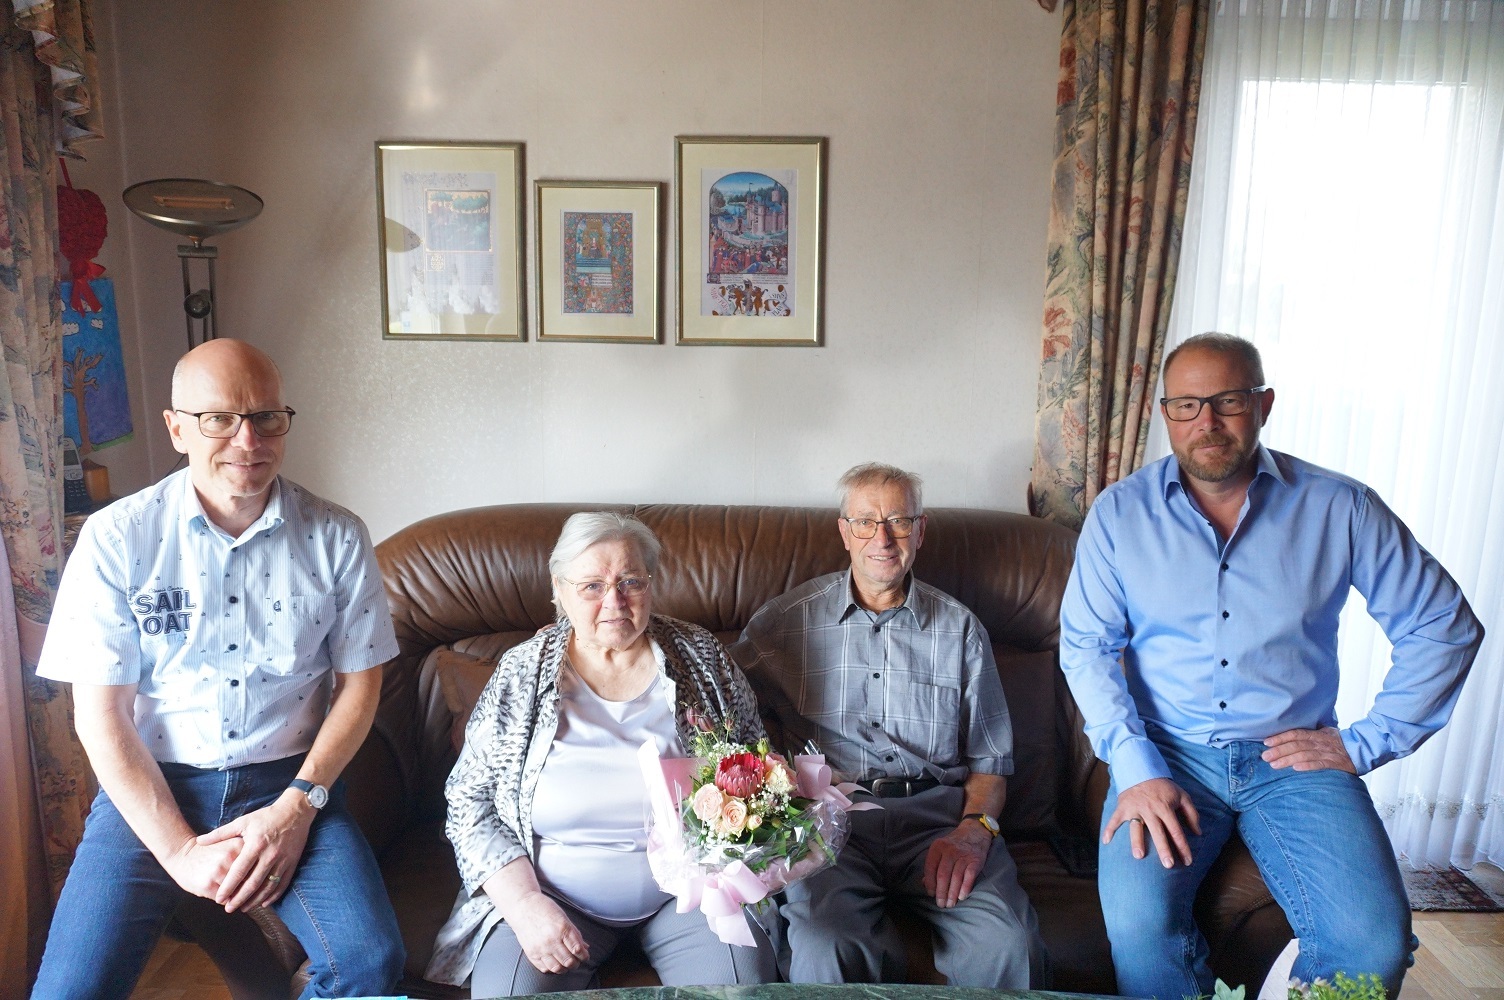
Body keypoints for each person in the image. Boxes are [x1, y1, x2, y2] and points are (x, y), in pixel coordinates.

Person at [1060, 333, 1485, 999]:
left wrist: (1367, 741)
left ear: (1264, 403)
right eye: (1187, 405)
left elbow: (1444, 625)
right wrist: (1135, 765)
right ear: (1164, 413)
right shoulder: (1119, 515)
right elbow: (1084, 646)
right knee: (1141, 931)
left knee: (1372, 944)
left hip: (1293, 759)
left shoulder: (1341, 507)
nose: (1207, 423)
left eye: (1227, 401)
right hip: (1166, 754)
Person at [32, 339, 404, 1000]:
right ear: (177, 428)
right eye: (219, 419)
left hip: (287, 783)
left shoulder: (337, 536)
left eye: (266, 417)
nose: (247, 438)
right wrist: (177, 852)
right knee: (70, 990)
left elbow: (361, 686)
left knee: (370, 962)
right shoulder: (118, 538)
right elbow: (101, 716)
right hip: (155, 784)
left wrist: (299, 807)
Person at [425, 512, 779, 996]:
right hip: (553, 896)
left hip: (690, 895)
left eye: (631, 581)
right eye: (592, 585)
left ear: (652, 584)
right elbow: (469, 802)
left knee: (740, 992)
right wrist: (525, 903)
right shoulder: (523, 672)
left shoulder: (701, 655)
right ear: (560, 589)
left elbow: (752, 763)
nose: (614, 601)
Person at [730, 463, 1046, 988]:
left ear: (920, 532)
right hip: (831, 827)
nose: (882, 537)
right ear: (844, 531)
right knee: (823, 946)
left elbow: (991, 765)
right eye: (865, 522)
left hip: (938, 823)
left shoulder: (961, 630)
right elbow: (724, 713)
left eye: (899, 521)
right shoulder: (783, 623)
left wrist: (974, 831)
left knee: (1009, 943)